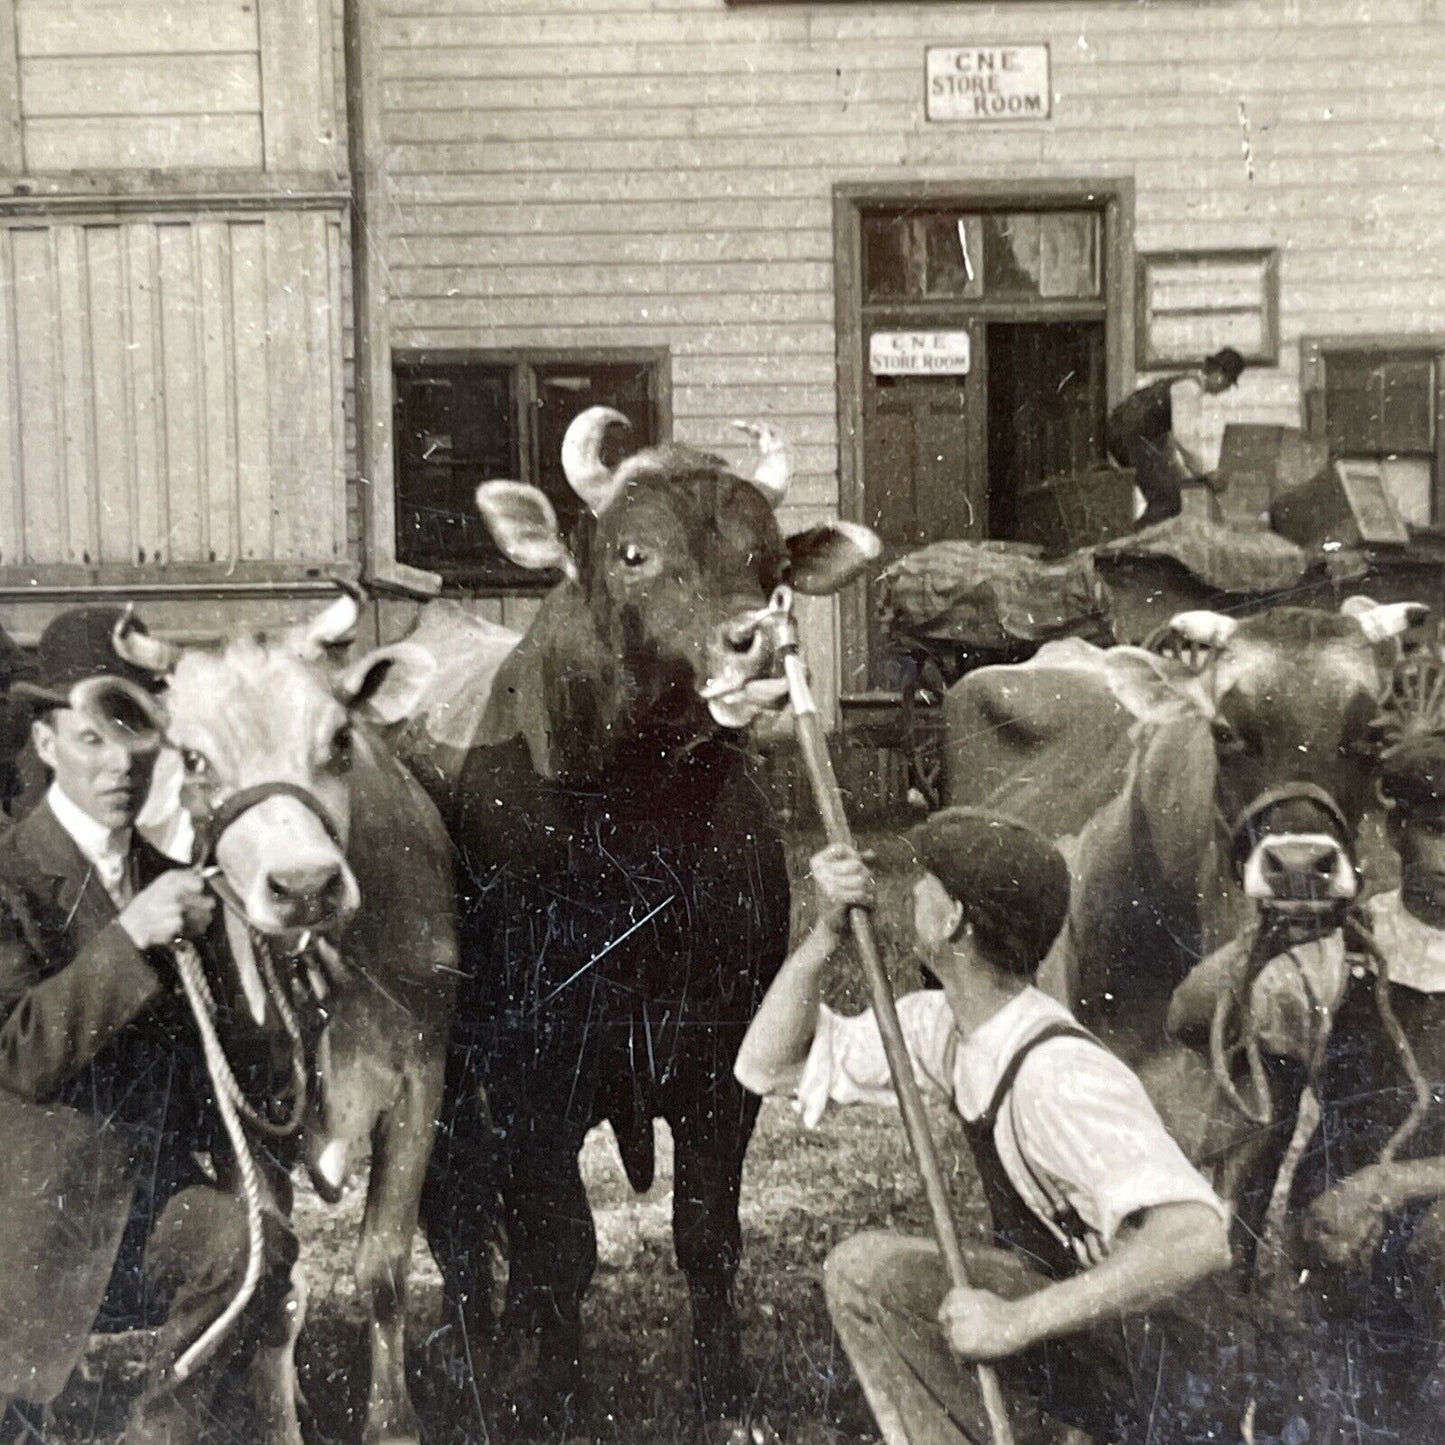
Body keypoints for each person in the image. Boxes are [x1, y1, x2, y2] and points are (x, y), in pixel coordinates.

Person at [734, 808, 1263, 1445]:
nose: (909, 893)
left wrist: (1014, 1322)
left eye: (925, 880)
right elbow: (767, 1064)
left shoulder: (1058, 1074)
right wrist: (824, 935)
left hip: (1175, 1365)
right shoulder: (949, 1028)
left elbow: (1197, 1239)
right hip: (1097, 1328)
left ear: (955, 918)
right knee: (863, 1273)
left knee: (877, 1275)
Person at [0, 608, 295, 1444]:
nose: (119, 760)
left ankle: (162, 1431)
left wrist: (270, 967)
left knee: (252, 1246)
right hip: (23, 1219)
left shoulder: (182, 881)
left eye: (134, 732)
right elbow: (17, 1054)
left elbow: (235, 1065)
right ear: (46, 744)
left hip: (140, 1207)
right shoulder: (11, 872)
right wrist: (131, 938)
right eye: (91, 737)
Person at [1105, 346, 1245, 530]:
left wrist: (1189, 473)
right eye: (1227, 384)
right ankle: (1130, 543)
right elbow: (1184, 438)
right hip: (1127, 436)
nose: (1225, 390)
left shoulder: (1187, 384)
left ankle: (1134, 542)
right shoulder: (1188, 389)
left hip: (1132, 435)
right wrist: (1207, 472)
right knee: (1168, 500)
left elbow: (1168, 441)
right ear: (1219, 375)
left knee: (1169, 495)